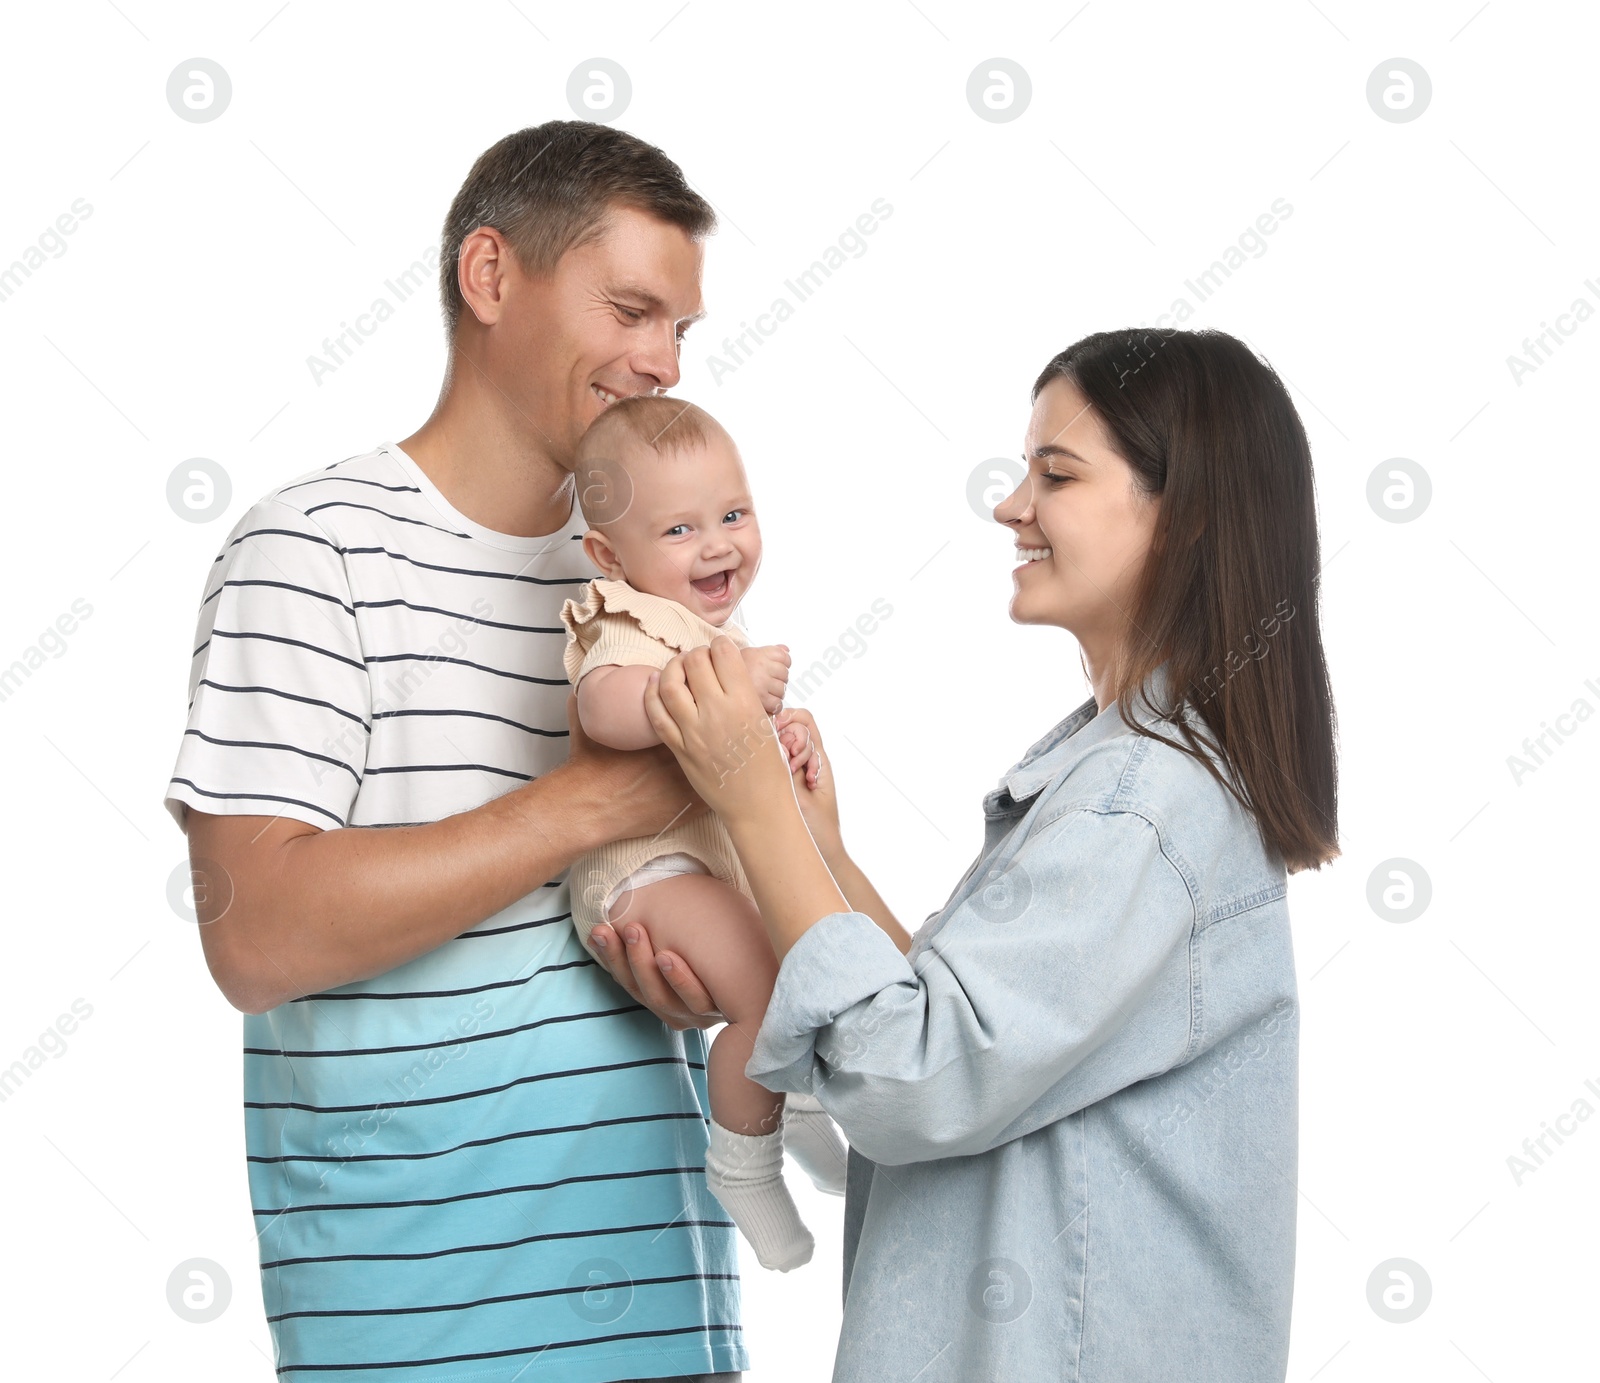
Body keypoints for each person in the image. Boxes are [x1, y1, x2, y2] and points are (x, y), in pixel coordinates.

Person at [593, 328, 1340, 1382]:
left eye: (1057, 474)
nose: (1010, 506)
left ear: (1184, 521)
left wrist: (751, 804)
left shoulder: (1142, 803)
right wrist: (823, 851)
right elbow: (965, 1034)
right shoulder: (1110, 769)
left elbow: (907, 1083)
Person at [163, 121, 750, 1383]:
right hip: (420, 1343)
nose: (661, 362)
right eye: (633, 310)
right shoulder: (311, 552)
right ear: (491, 277)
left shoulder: (653, 574)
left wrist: (711, 963)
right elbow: (256, 933)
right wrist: (585, 807)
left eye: (682, 332)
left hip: (674, 1321)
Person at [559, 394, 852, 1271]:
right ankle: (743, 1164)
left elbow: (736, 757)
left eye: (732, 514)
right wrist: (701, 686)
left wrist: (781, 736)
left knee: (814, 955)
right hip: (642, 872)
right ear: (612, 556)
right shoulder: (624, 618)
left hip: (697, 864)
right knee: (767, 985)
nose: (719, 543)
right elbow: (603, 705)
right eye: (681, 530)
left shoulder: (705, 629)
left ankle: (792, 1101)